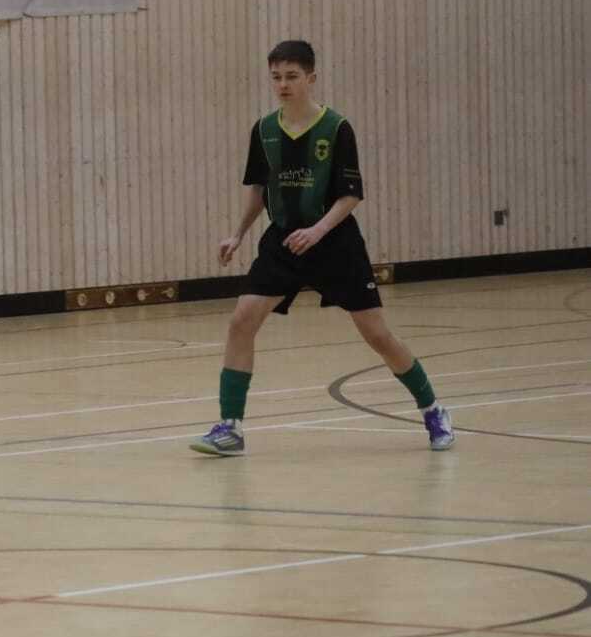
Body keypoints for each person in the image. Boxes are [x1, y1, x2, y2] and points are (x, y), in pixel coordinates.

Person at [191, 40, 455, 456]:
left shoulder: (336, 128)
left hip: (334, 242)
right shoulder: (264, 130)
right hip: (283, 241)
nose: (283, 84)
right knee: (242, 320)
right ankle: (230, 428)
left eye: (292, 76)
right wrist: (238, 233)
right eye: (276, 77)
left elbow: (351, 195)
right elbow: (258, 188)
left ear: (311, 78)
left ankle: (433, 409)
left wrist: (317, 230)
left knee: (377, 334)